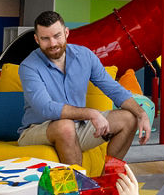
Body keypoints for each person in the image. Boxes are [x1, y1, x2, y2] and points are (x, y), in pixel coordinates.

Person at [17, 10, 151, 164]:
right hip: (38, 130)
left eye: (57, 36)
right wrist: (91, 114)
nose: (53, 43)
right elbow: (46, 108)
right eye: (45, 38)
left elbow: (113, 89)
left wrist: (142, 114)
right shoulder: (29, 66)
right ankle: (80, 187)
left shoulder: (84, 56)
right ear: (36, 39)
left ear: (66, 32)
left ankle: (105, 181)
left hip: (77, 127)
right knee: (65, 126)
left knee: (129, 118)